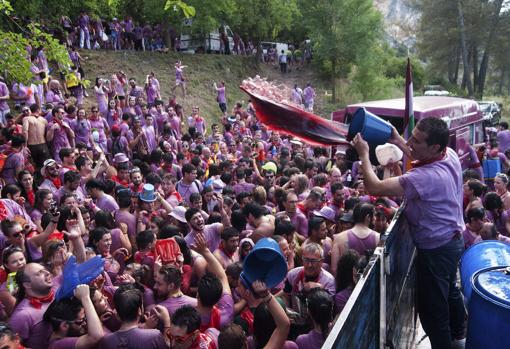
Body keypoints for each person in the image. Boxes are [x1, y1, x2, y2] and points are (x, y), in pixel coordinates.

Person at [352, 117, 466, 348]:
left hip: (436, 250)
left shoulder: (425, 177)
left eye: (417, 140)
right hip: (453, 241)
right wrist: (398, 140)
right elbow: (418, 154)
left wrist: (364, 154)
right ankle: (460, 334)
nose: (411, 143)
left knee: (433, 313)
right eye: (411, 136)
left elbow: (374, 187)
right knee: (451, 291)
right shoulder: (449, 154)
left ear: (435, 147)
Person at [98, 285, 169, 349]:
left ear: (117, 314)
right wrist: (167, 321)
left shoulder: (106, 342)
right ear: (139, 310)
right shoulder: (154, 336)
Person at [43, 284, 103, 349]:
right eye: (80, 321)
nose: (85, 323)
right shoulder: (58, 345)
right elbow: (96, 337)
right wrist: (85, 297)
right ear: (64, 325)